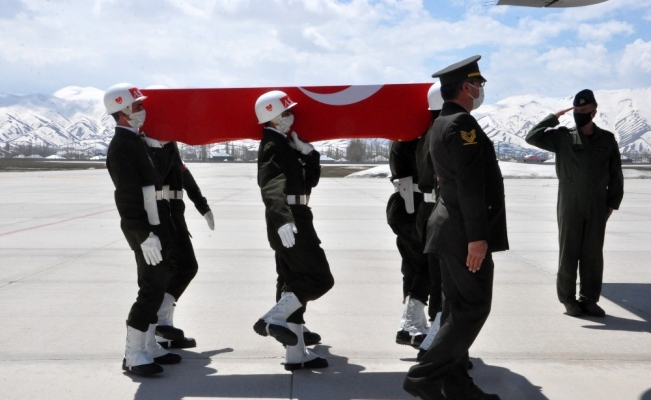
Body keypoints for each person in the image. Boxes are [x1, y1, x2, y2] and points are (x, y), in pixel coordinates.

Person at [403, 56, 507, 400]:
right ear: (466, 87)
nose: (480, 90)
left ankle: (458, 385)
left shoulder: (439, 123)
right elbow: (469, 184)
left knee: (454, 310)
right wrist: (477, 237)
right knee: (472, 308)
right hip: (463, 232)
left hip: (448, 228)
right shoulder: (462, 124)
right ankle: (423, 378)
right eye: (478, 84)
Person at [252, 90, 334, 370]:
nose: (291, 116)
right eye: (286, 112)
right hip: (290, 219)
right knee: (320, 279)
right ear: (272, 117)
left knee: (292, 283)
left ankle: (296, 353)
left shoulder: (286, 144)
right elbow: (271, 185)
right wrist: (283, 219)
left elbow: (309, 182)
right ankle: (272, 319)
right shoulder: (272, 145)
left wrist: (309, 154)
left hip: (297, 214)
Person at [103, 83, 181, 376]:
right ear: (122, 110)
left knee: (158, 286)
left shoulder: (136, 141)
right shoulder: (122, 145)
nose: (143, 110)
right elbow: (126, 196)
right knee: (150, 289)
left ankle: (148, 345)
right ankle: (133, 354)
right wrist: (142, 234)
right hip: (145, 229)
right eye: (137, 106)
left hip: (156, 223)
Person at [525, 89, 624, 317]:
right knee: (568, 252)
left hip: (598, 203)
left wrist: (612, 202)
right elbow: (532, 137)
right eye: (576, 110)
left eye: (584, 109)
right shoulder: (562, 137)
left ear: (594, 111)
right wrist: (554, 117)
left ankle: (589, 300)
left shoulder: (607, 139)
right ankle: (568, 300)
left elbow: (615, 172)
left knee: (593, 254)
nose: (579, 113)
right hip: (570, 202)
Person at [139, 137, 215, 349]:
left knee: (173, 271)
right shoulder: (148, 145)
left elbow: (184, 174)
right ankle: (160, 320)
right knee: (185, 267)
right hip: (161, 215)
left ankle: (164, 332)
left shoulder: (168, 144)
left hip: (174, 214)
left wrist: (203, 206)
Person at [388, 83, 445, 350]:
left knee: (415, 267)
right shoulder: (413, 138)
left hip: (410, 209)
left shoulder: (407, 136)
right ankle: (412, 325)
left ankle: (413, 325)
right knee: (424, 267)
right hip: (414, 209)